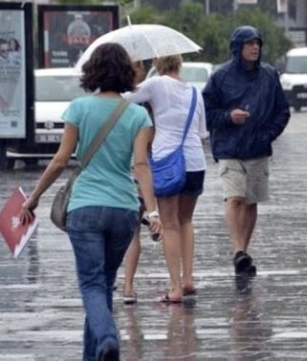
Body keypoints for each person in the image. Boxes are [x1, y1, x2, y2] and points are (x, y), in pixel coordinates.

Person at [18, 42, 161, 360]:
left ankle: (108, 338)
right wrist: (152, 212)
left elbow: (59, 161)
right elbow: (141, 166)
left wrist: (34, 198)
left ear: (92, 71)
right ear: (127, 72)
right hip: (124, 210)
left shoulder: (79, 108)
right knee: (104, 285)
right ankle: (95, 353)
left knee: (92, 285)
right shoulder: (138, 114)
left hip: (85, 209)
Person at [202, 25, 290, 276]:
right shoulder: (220, 77)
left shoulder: (269, 75)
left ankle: (244, 251)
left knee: (251, 202)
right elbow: (207, 113)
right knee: (235, 197)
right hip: (229, 148)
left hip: (258, 148)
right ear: (237, 47)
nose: (254, 48)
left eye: (257, 43)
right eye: (249, 43)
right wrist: (229, 117)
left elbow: (282, 111)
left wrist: (268, 135)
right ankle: (237, 249)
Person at [123, 54, 208, 302]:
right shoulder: (195, 91)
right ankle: (189, 278)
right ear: (179, 63)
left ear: (157, 65)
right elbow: (202, 132)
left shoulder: (156, 84)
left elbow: (127, 98)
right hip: (194, 162)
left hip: (168, 161)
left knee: (169, 224)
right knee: (186, 221)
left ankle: (175, 288)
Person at [120, 60, 155, 305]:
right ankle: (128, 286)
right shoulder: (146, 102)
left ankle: (121, 281)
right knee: (133, 234)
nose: (141, 69)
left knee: (125, 233)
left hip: (116, 173)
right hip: (137, 170)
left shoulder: (108, 99)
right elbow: (152, 137)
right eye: (138, 66)